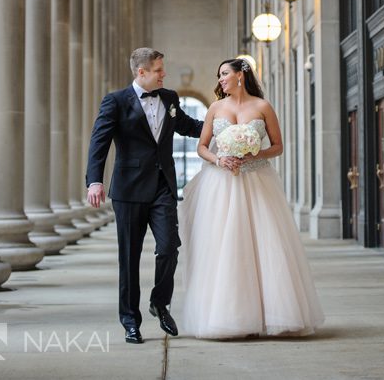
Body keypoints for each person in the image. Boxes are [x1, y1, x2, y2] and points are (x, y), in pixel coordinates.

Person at [179, 58, 324, 339]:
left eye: (224, 74)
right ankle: (229, 316)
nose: (220, 80)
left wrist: (254, 154)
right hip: (222, 184)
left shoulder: (262, 107)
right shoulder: (215, 108)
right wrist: (219, 159)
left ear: (240, 75)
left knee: (265, 246)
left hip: (258, 182)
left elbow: (278, 146)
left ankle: (270, 314)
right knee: (227, 246)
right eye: (219, 75)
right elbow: (202, 147)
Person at [86, 47, 203, 345]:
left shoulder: (170, 98)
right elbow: (99, 142)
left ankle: (159, 302)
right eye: (159, 70)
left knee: (169, 248)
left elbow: (189, 126)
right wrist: (94, 181)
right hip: (128, 191)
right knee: (129, 258)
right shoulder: (115, 101)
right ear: (142, 72)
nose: (164, 74)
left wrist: (225, 126)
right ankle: (130, 321)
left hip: (163, 187)